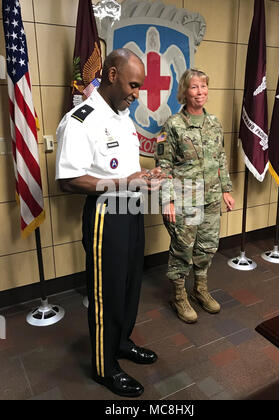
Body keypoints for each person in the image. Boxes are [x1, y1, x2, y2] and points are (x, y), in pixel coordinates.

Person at [56, 48, 166, 398]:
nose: (137, 94)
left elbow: (123, 168)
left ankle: (120, 343)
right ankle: (104, 368)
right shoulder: (81, 119)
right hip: (106, 215)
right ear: (113, 74)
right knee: (107, 293)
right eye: (134, 85)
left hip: (131, 211)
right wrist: (126, 183)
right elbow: (69, 180)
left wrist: (146, 177)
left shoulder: (121, 116)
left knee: (131, 284)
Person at [154, 68, 235, 324]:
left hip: (210, 198)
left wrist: (225, 189)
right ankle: (178, 296)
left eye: (203, 86)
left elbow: (220, 158)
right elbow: (163, 165)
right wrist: (167, 199)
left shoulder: (214, 123)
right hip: (185, 199)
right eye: (194, 87)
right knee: (183, 249)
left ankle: (200, 289)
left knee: (207, 247)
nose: (200, 92)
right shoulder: (173, 125)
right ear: (184, 92)